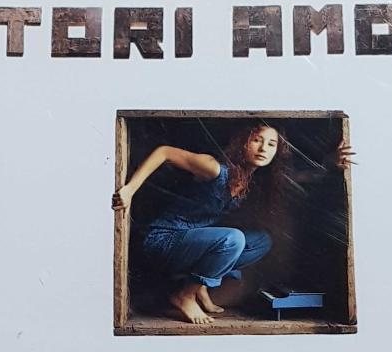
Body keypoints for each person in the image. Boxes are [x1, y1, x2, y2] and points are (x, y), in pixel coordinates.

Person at [112, 123, 352, 325]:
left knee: (260, 241)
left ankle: (199, 284)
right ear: (242, 142)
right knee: (233, 239)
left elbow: (298, 178)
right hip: (163, 239)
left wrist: (328, 164)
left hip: (190, 244)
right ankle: (185, 295)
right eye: (257, 140)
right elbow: (165, 152)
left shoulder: (250, 180)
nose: (264, 149)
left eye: (271, 144)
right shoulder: (214, 168)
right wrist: (130, 189)